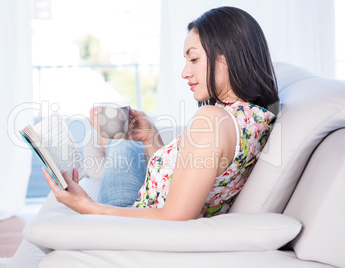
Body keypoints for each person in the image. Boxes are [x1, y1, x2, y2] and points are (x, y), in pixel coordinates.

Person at [43, 6, 279, 220]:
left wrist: (86, 206)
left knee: (117, 138)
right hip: (149, 202)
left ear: (227, 57)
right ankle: (110, 138)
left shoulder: (212, 119)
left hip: (131, 220)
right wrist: (151, 138)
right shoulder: (255, 116)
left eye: (194, 59)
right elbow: (187, 180)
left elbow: (174, 217)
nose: (185, 73)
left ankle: (107, 139)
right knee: (123, 138)